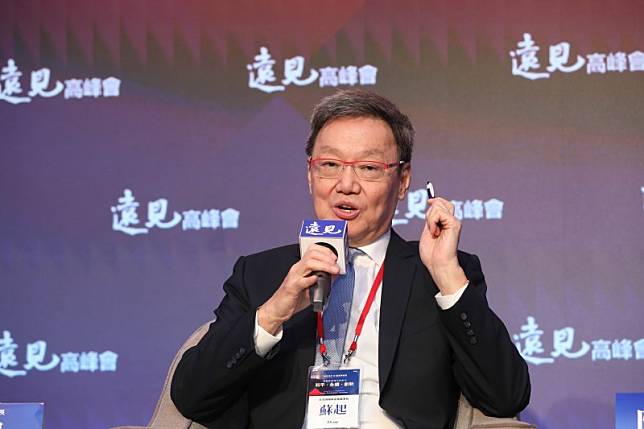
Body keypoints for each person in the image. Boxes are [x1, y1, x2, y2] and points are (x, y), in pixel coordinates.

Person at [171, 89, 530, 429]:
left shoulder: (436, 273)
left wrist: (446, 274)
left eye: (368, 168)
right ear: (310, 175)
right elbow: (192, 399)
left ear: (403, 180)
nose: (346, 184)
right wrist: (273, 314)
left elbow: (506, 397)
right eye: (329, 164)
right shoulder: (260, 274)